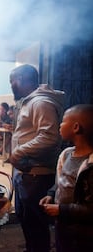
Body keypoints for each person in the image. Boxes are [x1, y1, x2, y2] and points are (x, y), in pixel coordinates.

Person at [7, 64, 65, 252]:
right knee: (25, 218)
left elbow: (49, 137)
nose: (11, 85)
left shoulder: (41, 103)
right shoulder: (28, 102)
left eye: (12, 81)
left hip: (37, 175)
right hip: (25, 172)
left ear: (22, 80)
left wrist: (18, 152)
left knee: (36, 223)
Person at [39, 104, 93, 252]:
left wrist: (61, 210)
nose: (60, 125)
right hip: (63, 227)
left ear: (76, 127)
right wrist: (51, 194)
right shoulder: (66, 155)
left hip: (83, 234)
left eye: (63, 121)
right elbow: (61, 182)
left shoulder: (90, 165)